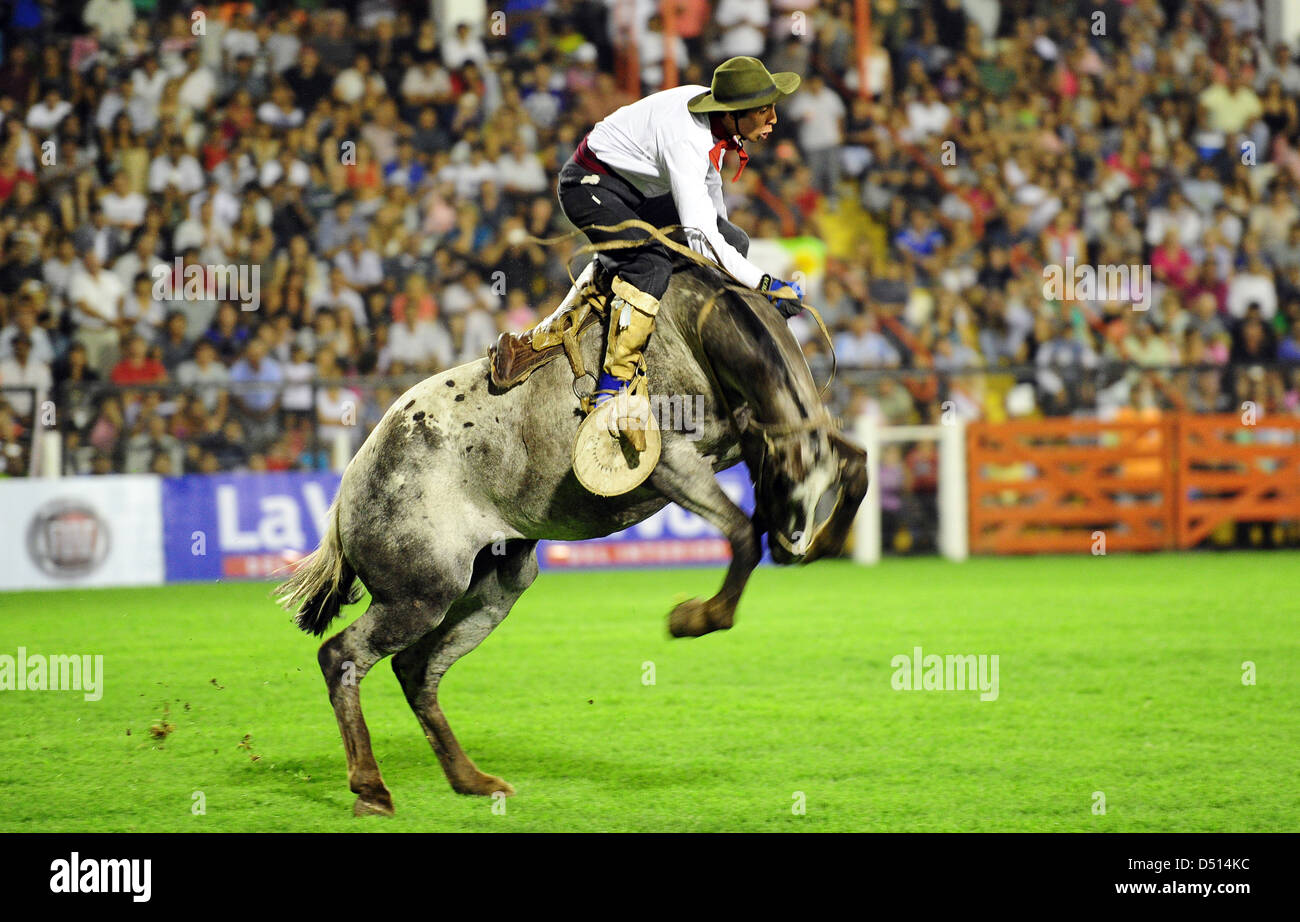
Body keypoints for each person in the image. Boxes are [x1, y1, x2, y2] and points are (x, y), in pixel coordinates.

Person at [505, 56, 806, 451]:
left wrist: (744, 270)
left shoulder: (714, 121)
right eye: (765, 109)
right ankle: (612, 390)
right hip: (588, 186)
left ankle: (665, 324)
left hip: (631, 189)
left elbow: (712, 214)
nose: (774, 119)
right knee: (650, 266)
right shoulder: (688, 138)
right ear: (734, 114)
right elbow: (700, 237)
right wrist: (765, 283)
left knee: (733, 242)